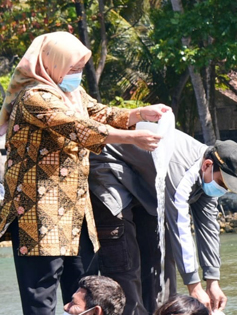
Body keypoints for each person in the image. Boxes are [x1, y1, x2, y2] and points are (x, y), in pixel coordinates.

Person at [0, 32, 170, 315]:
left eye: (80, 69)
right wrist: (133, 138)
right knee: (41, 299)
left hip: (75, 215)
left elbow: (98, 113)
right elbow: (80, 128)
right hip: (38, 217)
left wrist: (139, 113)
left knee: (84, 295)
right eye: (73, 69)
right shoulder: (35, 97)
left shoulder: (70, 93)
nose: (77, 75)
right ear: (52, 63)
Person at [88, 131, 237, 315]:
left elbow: (208, 227)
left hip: (143, 180)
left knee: (159, 261)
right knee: (126, 259)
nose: (223, 189)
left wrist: (213, 281)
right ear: (207, 165)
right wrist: (194, 286)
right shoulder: (181, 170)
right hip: (109, 167)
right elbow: (180, 225)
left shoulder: (208, 175)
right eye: (223, 182)